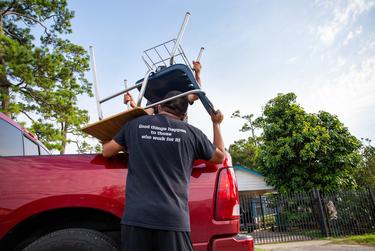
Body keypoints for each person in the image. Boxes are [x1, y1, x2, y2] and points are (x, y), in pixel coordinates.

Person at [102, 90, 224, 251]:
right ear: (183, 115)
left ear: (159, 106)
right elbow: (220, 156)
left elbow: (107, 151)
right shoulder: (193, 134)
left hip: (136, 217)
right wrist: (216, 123)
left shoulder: (135, 125)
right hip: (173, 219)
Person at [123, 61, 203, 113]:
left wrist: (197, 74)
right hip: (160, 129)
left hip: (178, 127)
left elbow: (196, 95)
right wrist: (134, 105)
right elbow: (147, 113)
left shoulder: (178, 94)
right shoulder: (154, 98)